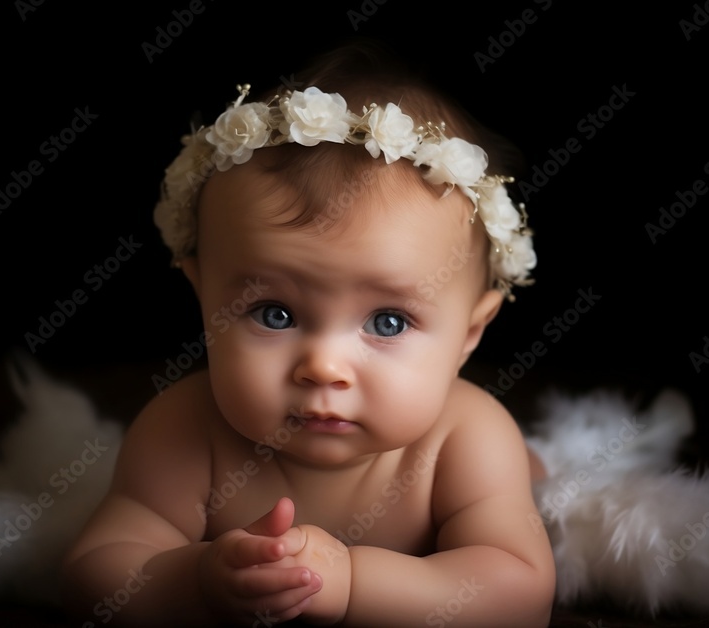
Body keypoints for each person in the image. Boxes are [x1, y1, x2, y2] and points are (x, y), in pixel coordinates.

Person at [62, 41, 555, 627]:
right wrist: (193, 580)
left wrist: (351, 582)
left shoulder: (465, 438)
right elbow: (95, 572)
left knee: (527, 483)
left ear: (470, 333)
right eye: (274, 313)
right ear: (205, 300)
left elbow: (520, 594)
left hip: (487, 472)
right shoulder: (184, 430)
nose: (323, 367)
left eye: (388, 322)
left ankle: (533, 474)